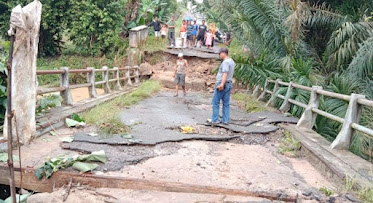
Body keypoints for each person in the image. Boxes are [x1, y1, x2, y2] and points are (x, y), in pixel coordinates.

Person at [210, 48, 235, 125]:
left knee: (215, 102)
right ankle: (225, 120)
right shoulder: (231, 61)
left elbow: (225, 73)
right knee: (226, 103)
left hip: (223, 83)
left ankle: (215, 119)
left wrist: (221, 84)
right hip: (229, 83)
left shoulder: (225, 62)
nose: (219, 55)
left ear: (224, 53)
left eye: (219, 53)